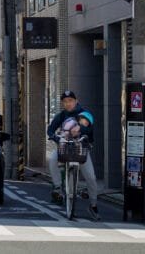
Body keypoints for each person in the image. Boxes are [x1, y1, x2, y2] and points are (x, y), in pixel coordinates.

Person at [47, 90, 99, 220]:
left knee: (91, 177)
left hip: (81, 149)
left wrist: (81, 129)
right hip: (65, 147)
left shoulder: (84, 113)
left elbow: (89, 128)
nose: (68, 104)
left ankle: (93, 205)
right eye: (65, 102)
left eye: (70, 101)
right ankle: (58, 187)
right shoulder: (61, 115)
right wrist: (55, 137)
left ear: (76, 101)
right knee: (52, 158)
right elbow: (50, 129)